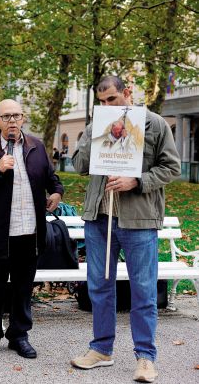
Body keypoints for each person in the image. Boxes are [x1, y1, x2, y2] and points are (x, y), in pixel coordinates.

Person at [71, 76, 181, 383]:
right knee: (99, 288)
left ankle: (145, 357)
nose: (107, 105)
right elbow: (79, 166)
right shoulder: (97, 125)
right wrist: (95, 132)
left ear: (127, 93)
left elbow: (172, 167)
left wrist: (137, 181)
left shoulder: (154, 124)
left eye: (112, 99)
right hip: (99, 218)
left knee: (143, 290)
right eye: (102, 101)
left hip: (138, 221)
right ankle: (101, 349)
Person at [0, 99, 63, 359]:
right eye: (6, 116)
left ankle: (19, 335)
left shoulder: (36, 148)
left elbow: (51, 179)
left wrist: (56, 193)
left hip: (29, 232)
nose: (12, 121)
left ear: (23, 119)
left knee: (23, 287)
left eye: (16, 116)